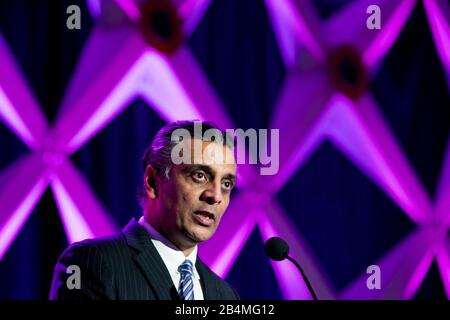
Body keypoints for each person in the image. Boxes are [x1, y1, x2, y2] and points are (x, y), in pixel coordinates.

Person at [49, 120, 239, 300]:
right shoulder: (89, 263)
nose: (216, 196)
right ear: (152, 181)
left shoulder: (225, 295)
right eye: (199, 175)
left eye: (226, 183)